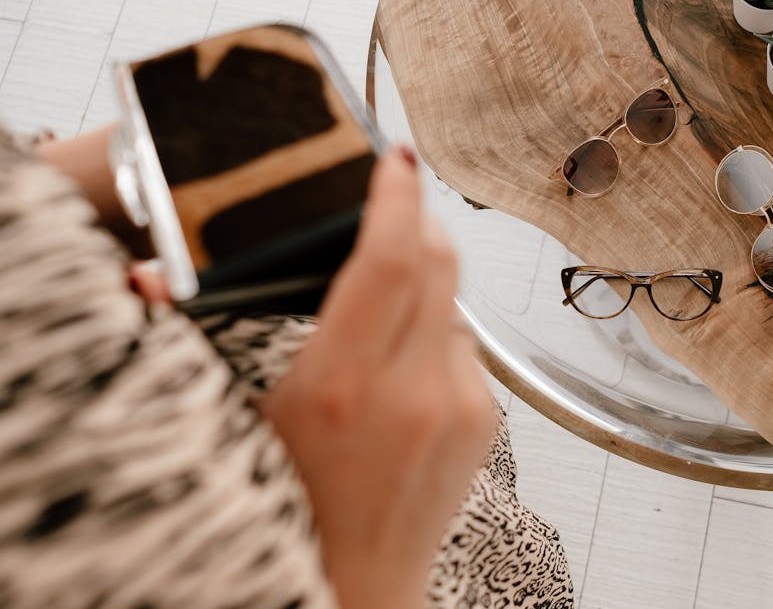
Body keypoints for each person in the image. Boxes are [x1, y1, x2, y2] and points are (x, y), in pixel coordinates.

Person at [0, 124, 574, 608]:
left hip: (297, 362)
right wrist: (367, 575)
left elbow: (34, 191)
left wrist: (167, 161)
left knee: (481, 460)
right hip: (392, 554)